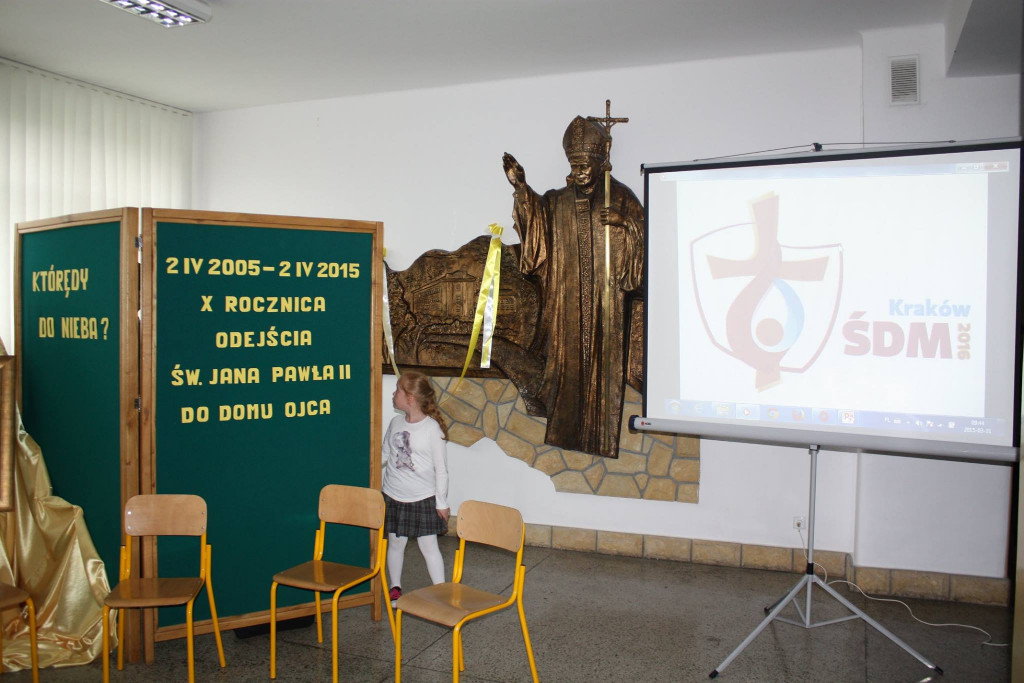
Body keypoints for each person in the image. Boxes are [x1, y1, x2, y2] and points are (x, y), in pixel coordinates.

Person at [502, 115, 644, 457]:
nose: (578, 172)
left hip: (606, 303)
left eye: (584, 165)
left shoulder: (621, 197)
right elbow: (536, 226)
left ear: (599, 161)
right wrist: (521, 188)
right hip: (567, 300)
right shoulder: (558, 201)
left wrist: (624, 224)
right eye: (573, 166)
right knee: (566, 366)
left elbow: (646, 238)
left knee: (602, 367)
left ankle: (599, 435)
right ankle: (566, 430)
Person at [382, 371, 450, 606]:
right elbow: (385, 454)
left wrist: (441, 503)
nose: (393, 394)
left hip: (422, 497)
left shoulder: (432, 429)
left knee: (428, 546)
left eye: (397, 390)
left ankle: (441, 591)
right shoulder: (395, 423)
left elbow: (441, 470)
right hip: (393, 494)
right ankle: (395, 588)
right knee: (395, 543)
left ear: (410, 398)